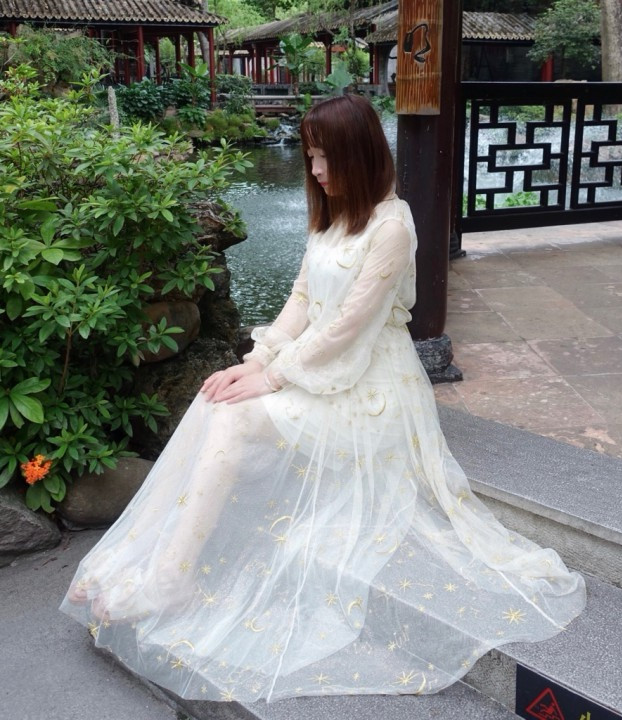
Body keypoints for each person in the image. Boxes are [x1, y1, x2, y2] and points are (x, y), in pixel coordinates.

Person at [61, 94, 585, 703]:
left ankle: (170, 579)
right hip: (320, 368)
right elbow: (303, 302)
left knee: (233, 418)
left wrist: (274, 377)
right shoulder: (333, 217)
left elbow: (347, 326)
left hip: (371, 385)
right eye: (310, 157)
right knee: (216, 399)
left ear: (358, 155)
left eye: (324, 158)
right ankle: (159, 566)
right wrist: (255, 360)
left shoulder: (393, 227)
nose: (314, 171)